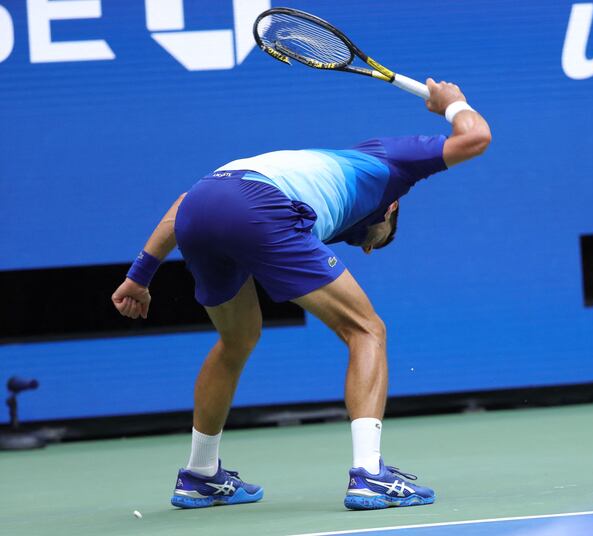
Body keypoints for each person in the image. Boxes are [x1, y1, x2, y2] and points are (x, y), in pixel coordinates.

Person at [111, 79, 491, 510]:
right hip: (258, 205)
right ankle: (369, 475)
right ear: (392, 208)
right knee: (367, 330)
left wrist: (140, 276)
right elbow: (476, 138)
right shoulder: (391, 163)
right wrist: (453, 102)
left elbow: (185, 204)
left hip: (202, 203)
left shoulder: (317, 178)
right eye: (376, 239)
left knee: (237, 339)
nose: (366, 246)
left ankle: (200, 474)